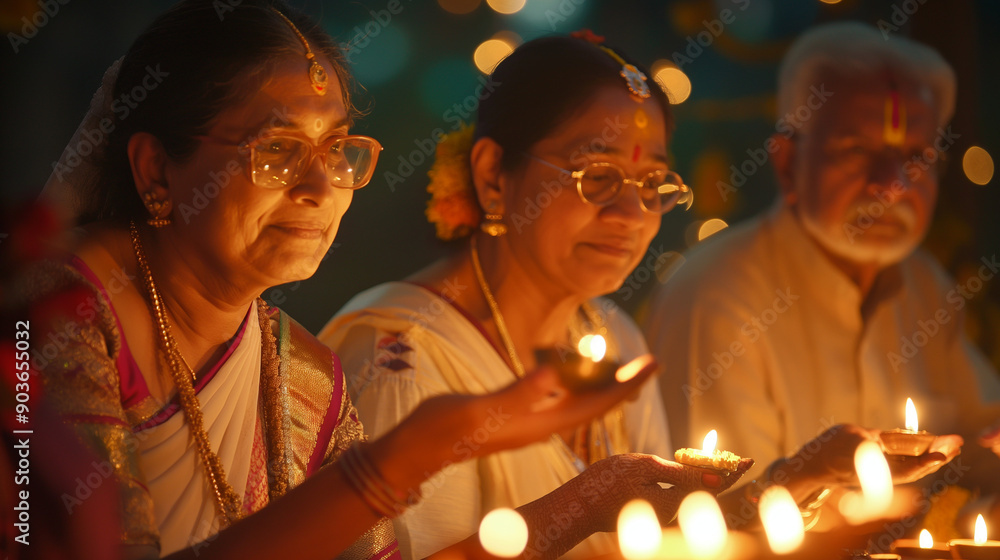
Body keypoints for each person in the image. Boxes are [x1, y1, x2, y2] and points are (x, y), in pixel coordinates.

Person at [28, 3, 740, 559]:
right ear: (156, 169)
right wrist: (410, 453)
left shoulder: (304, 374)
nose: (320, 188)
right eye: (277, 149)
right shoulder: (51, 323)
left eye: (337, 149)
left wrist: (597, 500)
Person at [319, 33, 701, 560]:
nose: (632, 215)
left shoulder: (615, 336)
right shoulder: (398, 356)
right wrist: (582, 505)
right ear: (493, 175)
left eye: (652, 181)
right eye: (598, 176)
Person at [643, 21, 1000, 508]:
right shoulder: (716, 294)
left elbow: (981, 440)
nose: (892, 184)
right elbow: (716, 517)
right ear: (788, 163)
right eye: (857, 150)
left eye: (916, 157)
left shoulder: (922, 284)